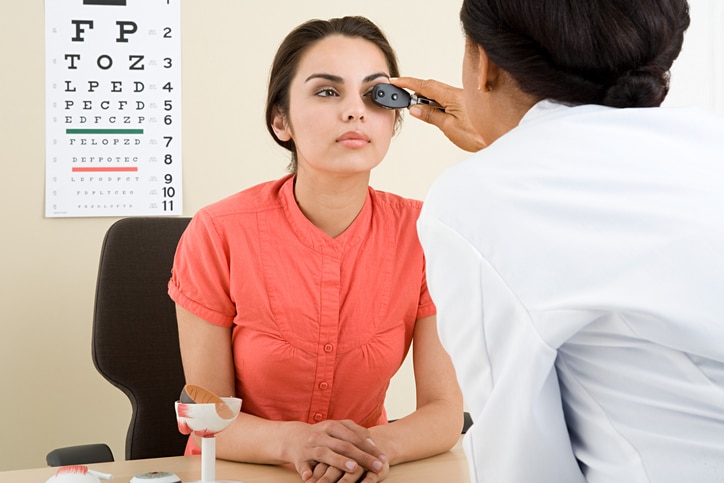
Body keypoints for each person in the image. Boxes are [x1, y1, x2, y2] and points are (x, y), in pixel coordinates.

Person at [393, 1, 724, 482]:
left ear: (483, 63)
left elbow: (519, 460)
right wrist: (509, 140)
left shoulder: (477, 200)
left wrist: (507, 155)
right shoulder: (710, 142)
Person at [168, 16, 463, 483]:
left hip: (363, 473)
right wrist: (296, 442)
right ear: (280, 120)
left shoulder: (427, 233)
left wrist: (364, 451)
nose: (355, 111)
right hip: (238, 472)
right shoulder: (217, 232)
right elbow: (208, 420)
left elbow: (444, 412)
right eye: (327, 92)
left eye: (375, 95)